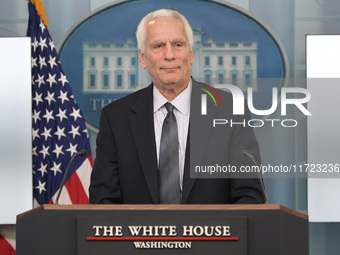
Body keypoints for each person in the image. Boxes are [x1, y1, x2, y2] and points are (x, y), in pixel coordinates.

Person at [89, 9, 266, 204]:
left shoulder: (230, 110)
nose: (169, 55)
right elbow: (103, 200)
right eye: (158, 46)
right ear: (142, 58)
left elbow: (250, 195)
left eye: (178, 44)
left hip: (214, 234)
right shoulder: (116, 118)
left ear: (190, 54)